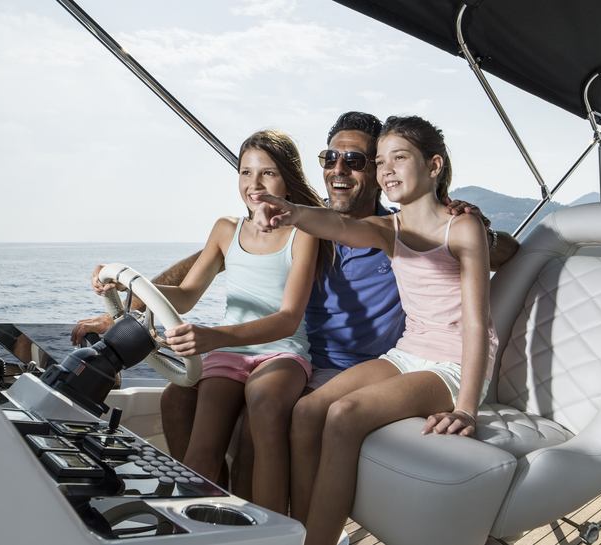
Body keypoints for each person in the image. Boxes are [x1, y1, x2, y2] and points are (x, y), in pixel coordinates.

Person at [70, 111, 518, 503]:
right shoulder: (305, 220)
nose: (340, 170)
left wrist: (466, 220)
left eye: (357, 161)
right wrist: (125, 310)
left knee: (253, 421)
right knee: (176, 399)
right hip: (289, 356)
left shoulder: (397, 230)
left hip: (349, 367)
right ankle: (216, 512)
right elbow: (209, 266)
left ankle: (266, 526)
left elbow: (499, 253)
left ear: (378, 170)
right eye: (330, 159)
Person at [254, 115, 497, 545]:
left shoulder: (463, 226)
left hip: (452, 363)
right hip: (407, 353)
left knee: (344, 415)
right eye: (381, 161)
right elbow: (341, 226)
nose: (386, 170)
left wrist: (466, 409)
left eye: (399, 158)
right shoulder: (391, 229)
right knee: (309, 411)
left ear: (434, 166)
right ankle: (301, 533)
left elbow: (477, 324)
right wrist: (292, 212)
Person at [91, 129, 329, 515]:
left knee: (266, 404)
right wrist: (127, 284)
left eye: (267, 173)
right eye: (245, 172)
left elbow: (288, 320)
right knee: (203, 444)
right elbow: (186, 294)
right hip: (229, 354)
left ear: (287, 177)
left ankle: (271, 533)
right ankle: (203, 525)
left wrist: (211, 336)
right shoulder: (225, 229)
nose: (254, 184)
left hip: (281, 352)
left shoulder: (302, 234)